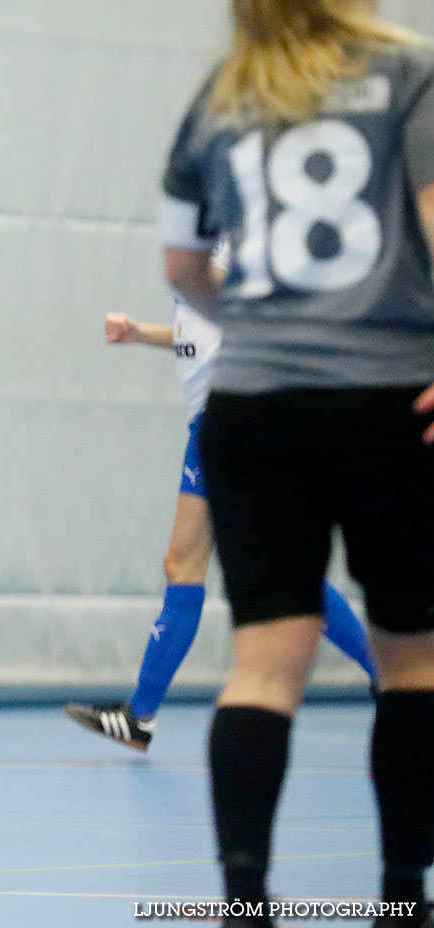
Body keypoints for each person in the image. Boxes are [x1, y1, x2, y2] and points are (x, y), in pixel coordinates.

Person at [159, 0, 434, 926]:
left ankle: (241, 902)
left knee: (264, 663)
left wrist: (271, 322)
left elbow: (184, 262)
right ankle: (403, 895)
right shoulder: (408, 73)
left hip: (254, 406)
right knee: (412, 658)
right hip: (385, 398)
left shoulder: (225, 94)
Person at [64, 298, 375, 751]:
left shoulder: (228, 246)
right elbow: (203, 338)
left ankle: (393, 674)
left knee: (246, 567)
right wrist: (141, 334)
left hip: (232, 419)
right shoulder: (206, 253)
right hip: (219, 422)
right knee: (195, 564)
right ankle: (139, 716)